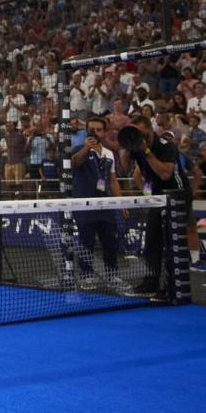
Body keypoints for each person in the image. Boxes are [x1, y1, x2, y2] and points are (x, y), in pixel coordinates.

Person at [125, 115, 193, 299]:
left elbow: (165, 174)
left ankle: (172, 287)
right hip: (158, 197)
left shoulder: (165, 145)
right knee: (152, 241)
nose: (138, 136)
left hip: (177, 195)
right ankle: (150, 284)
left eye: (140, 132)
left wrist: (146, 151)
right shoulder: (136, 146)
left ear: (149, 129)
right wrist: (127, 146)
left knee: (171, 242)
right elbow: (128, 169)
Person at [69, 116, 129, 292]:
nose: (95, 132)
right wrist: (87, 149)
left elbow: (113, 180)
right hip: (84, 205)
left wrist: (121, 203)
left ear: (105, 132)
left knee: (110, 242)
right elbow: (74, 164)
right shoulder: (78, 149)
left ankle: (113, 275)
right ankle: (86, 276)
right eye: (91, 129)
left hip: (106, 205)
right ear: (86, 130)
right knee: (86, 241)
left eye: (99, 129)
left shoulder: (109, 153)